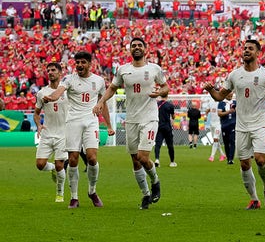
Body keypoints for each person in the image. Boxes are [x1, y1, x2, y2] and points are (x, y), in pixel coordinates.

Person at [204, 39, 265, 210]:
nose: (246, 51)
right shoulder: (235, 75)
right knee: (244, 164)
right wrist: (211, 90)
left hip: (260, 123)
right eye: (245, 48)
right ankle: (254, 199)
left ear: (258, 53)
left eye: (250, 48)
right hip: (241, 125)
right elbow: (220, 96)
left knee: (260, 159)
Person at [94, 38, 169, 210]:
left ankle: (155, 181)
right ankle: (145, 194)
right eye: (133, 45)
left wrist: (159, 92)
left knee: (143, 157)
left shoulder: (154, 69)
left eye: (139, 45)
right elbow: (112, 88)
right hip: (132, 119)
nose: (136, 48)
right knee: (135, 161)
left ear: (145, 49)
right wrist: (101, 102)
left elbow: (166, 88)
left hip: (149, 118)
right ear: (130, 49)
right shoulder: (123, 70)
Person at [44, 51, 115, 209]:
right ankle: (74, 197)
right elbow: (58, 92)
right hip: (73, 121)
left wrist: (109, 125)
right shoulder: (68, 79)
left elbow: (102, 103)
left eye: (83, 62)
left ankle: (92, 191)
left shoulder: (98, 81)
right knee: (74, 158)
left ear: (90, 64)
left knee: (91, 158)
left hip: (91, 121)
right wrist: (52, 97)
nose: (80, 65)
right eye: (77, 63)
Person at [34, 62, 68, 203]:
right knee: (40, 165)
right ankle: (52, 168)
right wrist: (38, 125)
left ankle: (59, 193)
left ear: (60, 73)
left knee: (61, 165)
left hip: (63, 133)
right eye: (48, 70)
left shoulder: (67, 91)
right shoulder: (41, 93)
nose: (50, 72)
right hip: (47, 133)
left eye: (53, 70)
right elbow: (36, 113)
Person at [156, 95, 177, 167]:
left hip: (159, 126)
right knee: (170, 145)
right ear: (167, 96)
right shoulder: (170, 105)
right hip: (167, 127)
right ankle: (172, 161)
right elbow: (173, 116)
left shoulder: (157, 104)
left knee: (158, 144)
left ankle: (157, 159)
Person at [218, 93, 236, 164]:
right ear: (226, 95)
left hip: (233, 125)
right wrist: (228, 112)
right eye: (229, 94)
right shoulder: (221, 103)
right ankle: (228, 158)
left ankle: (231, 159)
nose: (231, 96)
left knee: (232, 141)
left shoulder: (235, 103)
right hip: (225, 125)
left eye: (231, 95)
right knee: (226, 143)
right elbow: (219, 113)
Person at [207, 97, 226, 162]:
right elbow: (208, 109)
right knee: (216, 140)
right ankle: (222, 155)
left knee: (215, 139)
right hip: (212, 124)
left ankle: (212, 156)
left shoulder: (221, 102)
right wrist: (205, 115)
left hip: (219, 123)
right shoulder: (210, 101)